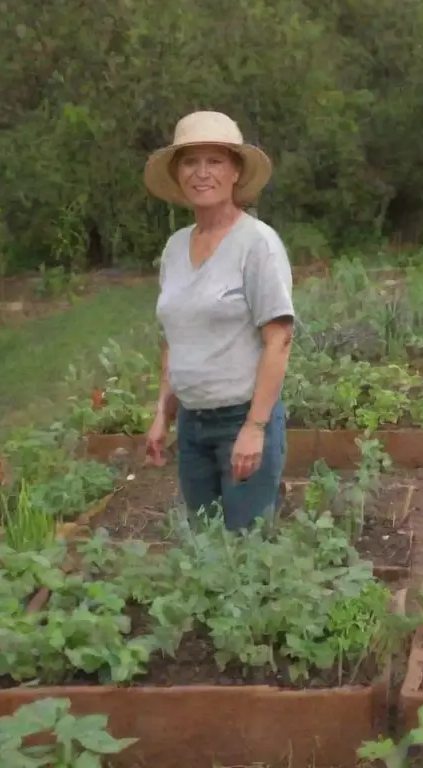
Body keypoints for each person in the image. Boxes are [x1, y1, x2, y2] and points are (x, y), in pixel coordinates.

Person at [142, 111, 295, 531]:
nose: (202, 173)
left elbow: (279, 339)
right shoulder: (175, 248)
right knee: (204, 542)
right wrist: (163, 413)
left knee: (245, 547)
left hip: (241, 419)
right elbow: (174, 338)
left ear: (235, 172)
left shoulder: (256, 244)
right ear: (177, 174)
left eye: (215, 161)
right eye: (191, 162)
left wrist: (255, 427)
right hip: (192, 425)